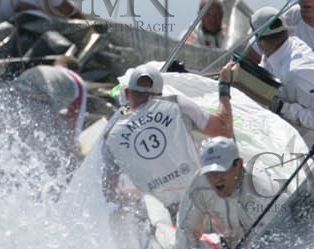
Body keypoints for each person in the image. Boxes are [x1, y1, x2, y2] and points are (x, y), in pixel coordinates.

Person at [172, 137, 284, 249]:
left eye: (220, 171)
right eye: (209, 172)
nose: (214, 178)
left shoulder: (263, 190)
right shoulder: (199, 186)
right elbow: (185, 229)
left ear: (238, 165)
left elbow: (281, 240)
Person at [99, 63, 233, 209]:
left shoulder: (111, 135)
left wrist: (145, 195)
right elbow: (224, 130)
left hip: (159, 213)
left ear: (127, 94)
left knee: (118, 216)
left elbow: (109, 192)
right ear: (160, 94)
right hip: (201, 198)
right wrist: (224, 86)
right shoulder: (178, 104)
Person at [249, 7, 314, 146]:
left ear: (260, 42)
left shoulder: (299, 71)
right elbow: (265, 69)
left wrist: (282, 108)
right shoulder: (282, 48)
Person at [13, 54, 88, 143]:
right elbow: (77, 117)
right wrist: (73, 143)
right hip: (40, 97)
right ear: (75, 70)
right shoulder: (76, 80)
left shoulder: (48, 70)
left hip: (17, 88)